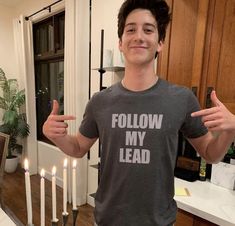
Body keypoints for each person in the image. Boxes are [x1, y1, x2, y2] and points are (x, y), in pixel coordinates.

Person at [43, 0, 235, 225]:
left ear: (160, 42)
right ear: (121, 43)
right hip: (108, 220)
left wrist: (229, 131)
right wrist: (57, 136)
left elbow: (210, 154)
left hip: (159, 222)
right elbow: (77, 148)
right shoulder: (100, 102)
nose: (138, 36)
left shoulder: (181, 99)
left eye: (148, 29)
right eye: (130, 29)